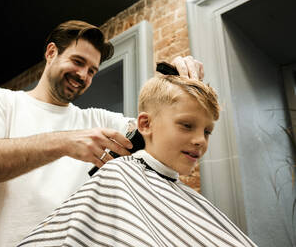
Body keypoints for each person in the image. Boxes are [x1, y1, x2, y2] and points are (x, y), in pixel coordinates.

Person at [0, 20, 205, 246]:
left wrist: (180, 87)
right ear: (51, 53)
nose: (83, 75)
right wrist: (65, 142)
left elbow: (161, 137)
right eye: (78, 62)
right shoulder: (1, 102)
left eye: (92, 70)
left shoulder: (99, 120)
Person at [18, 74, 258, 247]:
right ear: (145, 124)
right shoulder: (118, 176)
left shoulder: (190, 199)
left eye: (207, 131)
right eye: (187, 125)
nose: (200, 141)